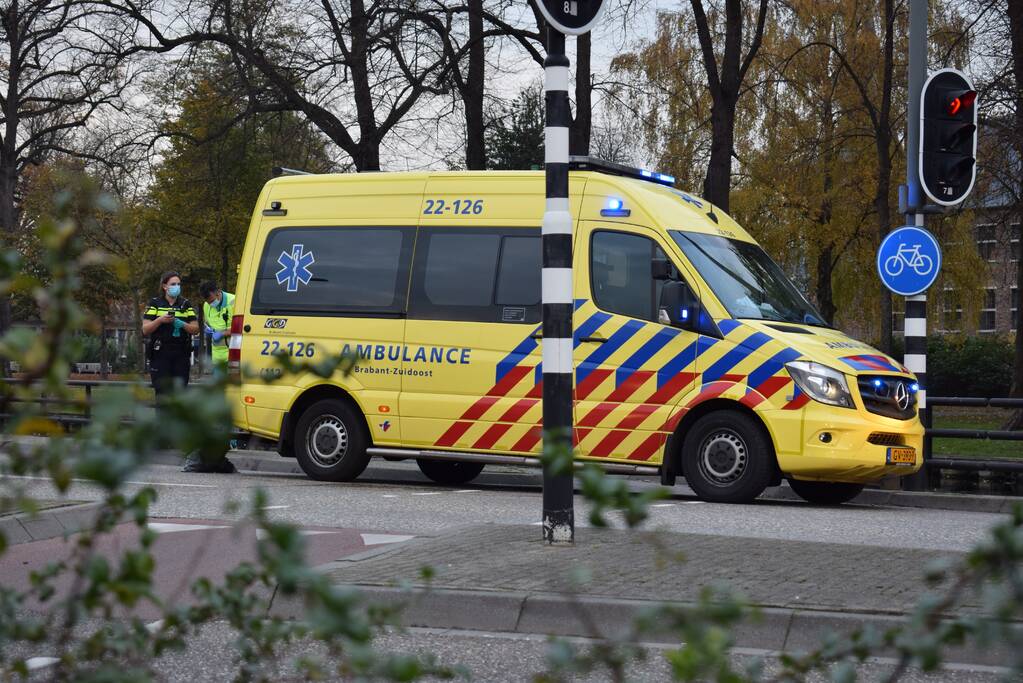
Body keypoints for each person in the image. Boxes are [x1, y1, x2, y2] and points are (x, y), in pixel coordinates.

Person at [142, 272, 233, 474]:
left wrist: (181, 324)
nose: (177, 287)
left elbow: (195, 329)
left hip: (180, 356)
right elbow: (146, 329)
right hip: (160, 354)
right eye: (173, 284)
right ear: (164, 286)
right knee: (162, 396)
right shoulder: (155, 303)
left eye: (179, 284)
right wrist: (160, 321)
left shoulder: (185, 305)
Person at [199, 281, 235, 376]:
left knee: (233, 388)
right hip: (218, 359)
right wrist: (208, 329)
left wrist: (221, 333)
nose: (211, 304)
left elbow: (242, 327)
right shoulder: (207, 306)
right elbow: (208, 323)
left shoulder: (234, 302)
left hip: (234, 356)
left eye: (212, 300)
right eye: (208, 302)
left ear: (218, 292)